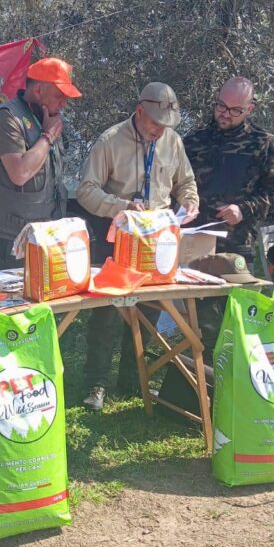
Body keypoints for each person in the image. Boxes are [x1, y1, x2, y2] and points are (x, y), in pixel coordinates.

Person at [76, 82, 199, 411]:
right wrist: (121, 206)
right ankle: (96, 384)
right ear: (140, 111)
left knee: (147, 313)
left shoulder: (172, 142)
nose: (161, 130)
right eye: (156, 123)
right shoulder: (110, 141)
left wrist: (190, 202)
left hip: (156, 242)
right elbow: (85, 191)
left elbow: (185, 182)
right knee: (106, 313)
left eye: (167, 124)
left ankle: (133, 380)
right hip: (117, 239)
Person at [0, 57, 81, 270]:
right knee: (14, 301)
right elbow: (20, 173)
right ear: (39, 90)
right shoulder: (7, 118)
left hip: (46, 233)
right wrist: (48, 137)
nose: (64, 103)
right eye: (59, 96)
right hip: (10, 237)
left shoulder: (48, 117)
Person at [183, 76, 274, 261]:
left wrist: (244, 209)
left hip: (236, 245)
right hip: (192, 242)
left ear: (249, 109)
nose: (225, 114)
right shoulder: (193, 141)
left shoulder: (263, 143)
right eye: (221, 106)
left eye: (235, 110)